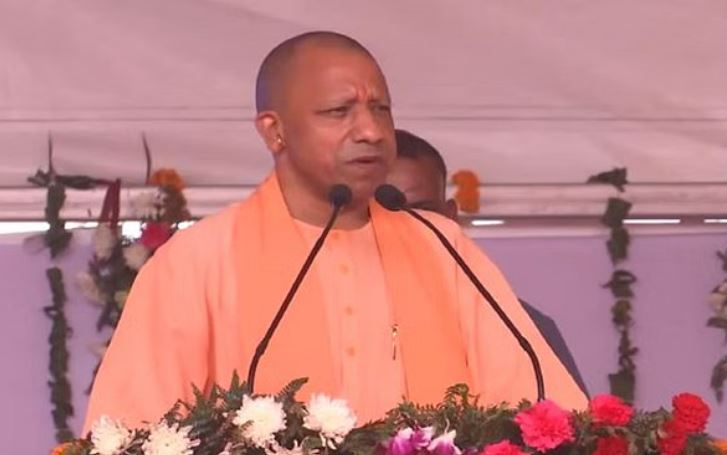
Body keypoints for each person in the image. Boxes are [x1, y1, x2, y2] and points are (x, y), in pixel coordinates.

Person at [83, 31, 587, 434]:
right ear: (274, 131)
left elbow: (544, 409)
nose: (370, 131)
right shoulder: (197, 262)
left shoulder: (442, 247)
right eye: (339, 112)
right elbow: (133, 432)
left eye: (380, 109)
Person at [387, 129, 588, 395]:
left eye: (424, 211)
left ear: (450, 216)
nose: (408, 227)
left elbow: (564, 417)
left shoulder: (516, 323)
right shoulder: (340, 314)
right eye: (387, 213)